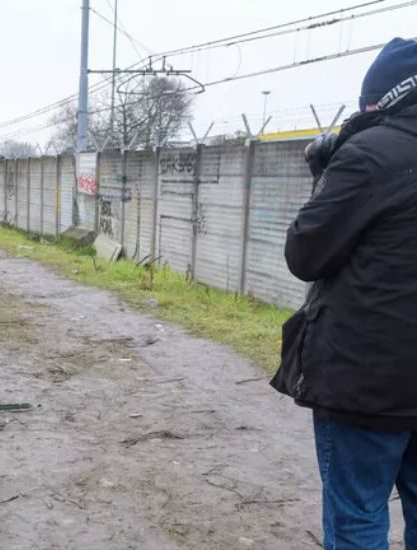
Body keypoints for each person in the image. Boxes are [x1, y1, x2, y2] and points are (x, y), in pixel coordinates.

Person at [272, 37, 417, 550]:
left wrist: (325, 175)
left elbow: (305, 255)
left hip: (368, 382)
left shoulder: (370, 155)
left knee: (357, 514)